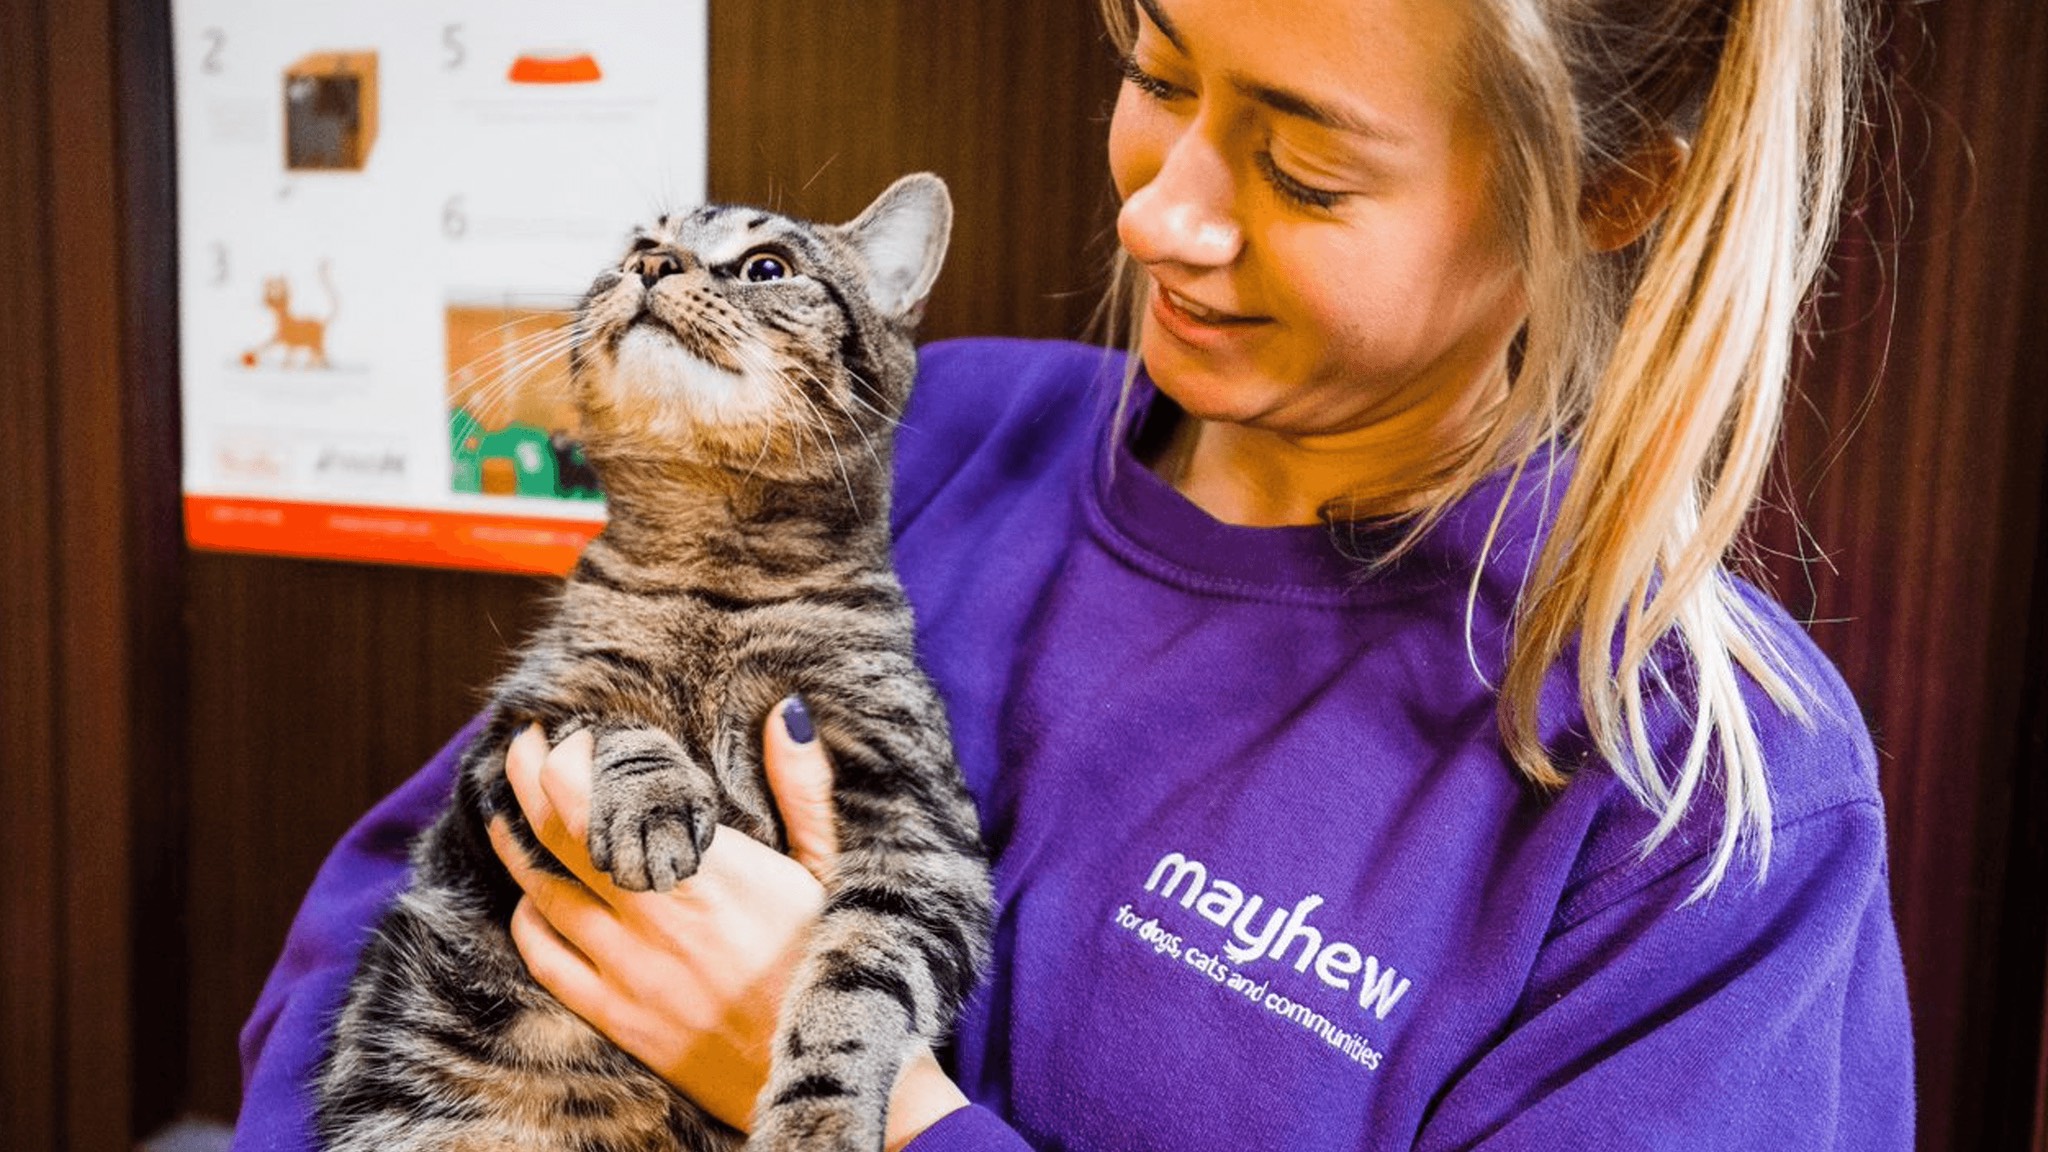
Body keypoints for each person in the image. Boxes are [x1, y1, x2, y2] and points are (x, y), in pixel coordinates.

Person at [234, 0, 1914, 1148]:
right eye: (1159, 71)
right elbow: (372, 928)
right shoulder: (915, 442)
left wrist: (866, 1101)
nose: (1158, 217)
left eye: (1306, 168)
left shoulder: (1697, 795)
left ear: (1613, 189)